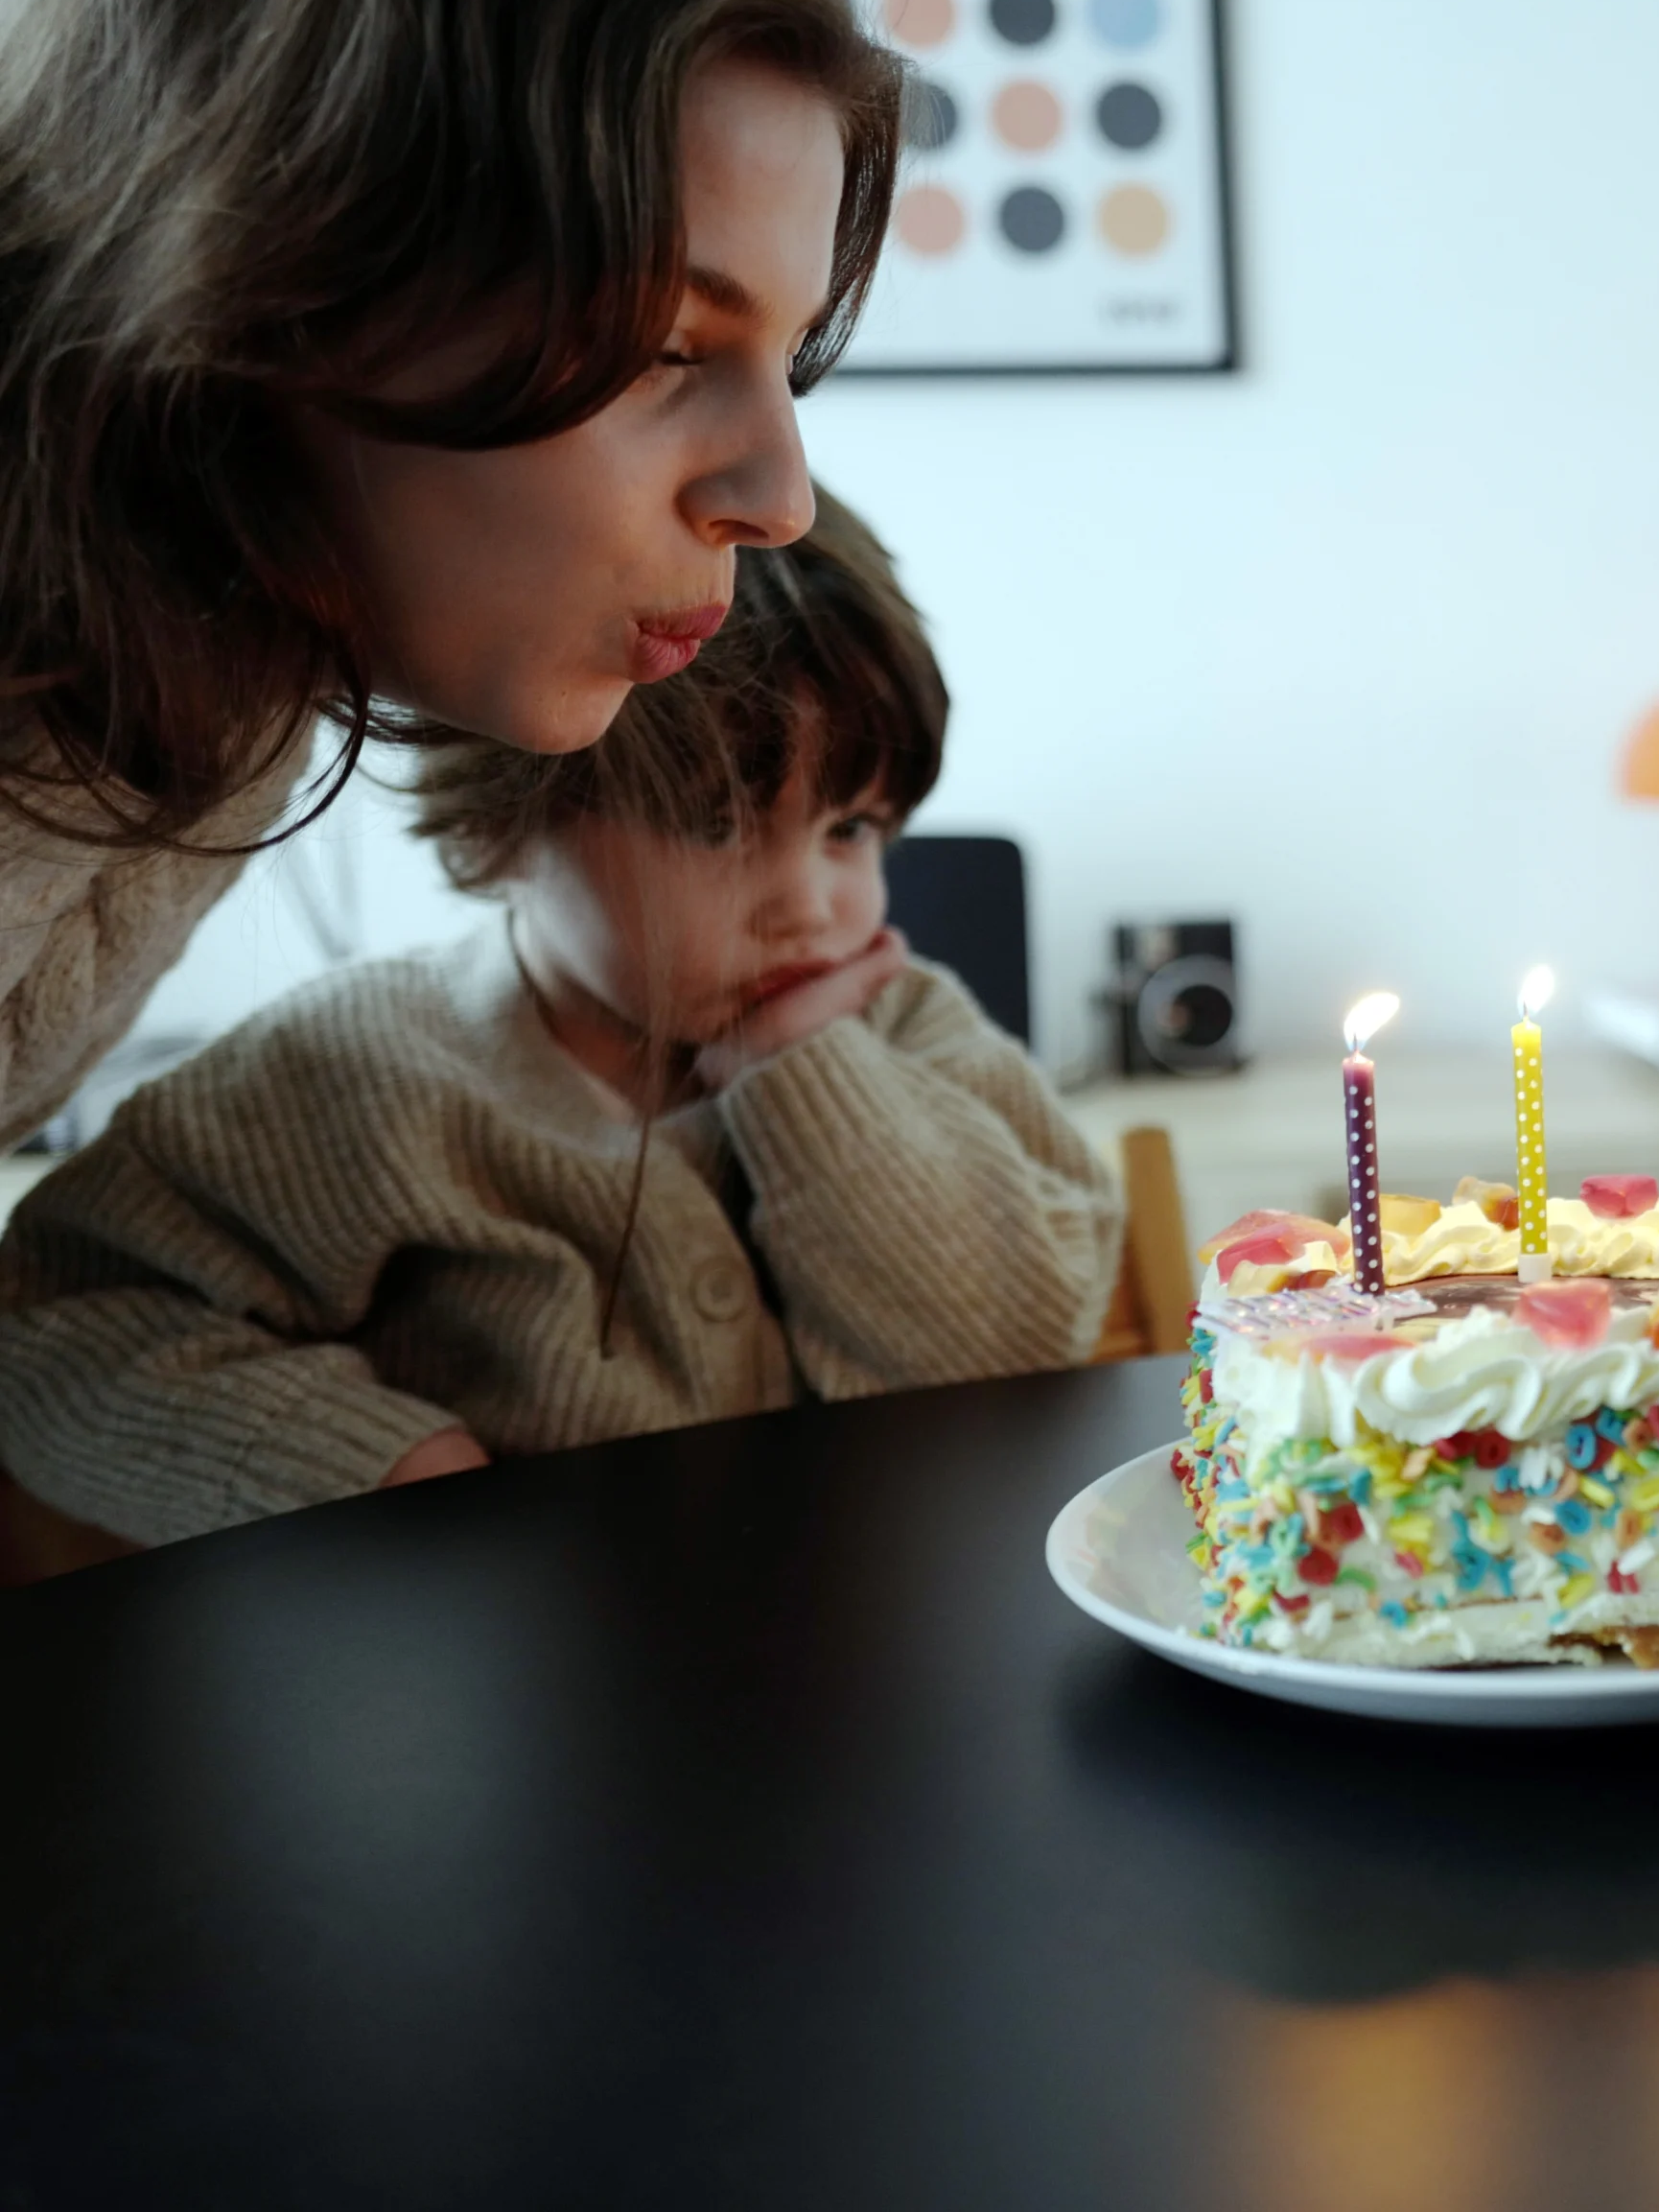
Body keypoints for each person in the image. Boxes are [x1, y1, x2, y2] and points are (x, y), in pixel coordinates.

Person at [0, 0, 900, 1148]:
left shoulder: (224, 679)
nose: (778, 502)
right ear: (277, 250)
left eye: (784, 361)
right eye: (665, 345)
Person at [0, 491, 1125, 1555]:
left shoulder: (905, 1026)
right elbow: (57, 1311)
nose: (814, 905)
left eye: (853, 827)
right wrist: (367, 1464)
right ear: (506, 824)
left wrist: (808, 1070)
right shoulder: (354, 1071)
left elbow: (1017, 1356)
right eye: (717, 823)